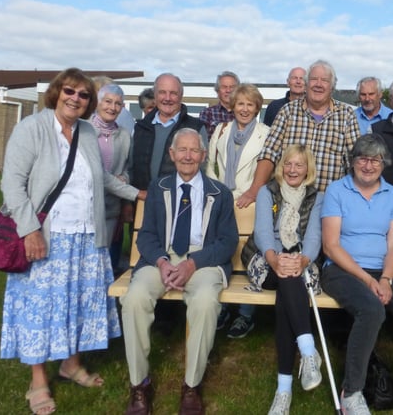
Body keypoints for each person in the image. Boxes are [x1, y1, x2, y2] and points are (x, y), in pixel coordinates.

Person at [0, 68, 130, 415]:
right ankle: (38, 380)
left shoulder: (86, 131)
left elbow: (101, 178)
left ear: (90, 102)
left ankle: (71, 364)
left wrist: (140, 193)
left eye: (83, 95)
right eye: (69, 91)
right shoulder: (33, 128)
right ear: (57, 92)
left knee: (78, 303)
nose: (75, 98)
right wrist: (29, 230)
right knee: (41, 308)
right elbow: (12, 184)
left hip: (87, 236)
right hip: (46, 236)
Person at [121, 128, 238, 415]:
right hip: (161, 260)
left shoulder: (219, 193)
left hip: (202, 260)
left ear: (203, 155)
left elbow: (227, 241)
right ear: (172, 155)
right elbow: (146, 235)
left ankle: (192, 384)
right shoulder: (159, 188)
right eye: (181, 150)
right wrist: (161, 261)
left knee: (205, 302)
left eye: (193, 150)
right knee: (134, 298)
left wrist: (192, 263)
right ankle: (140, 384)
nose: (188, 156)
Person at [320, 134, 393, 415]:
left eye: (375, 160)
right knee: (372, 310)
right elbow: (331, 246)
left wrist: (385, 278)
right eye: (362, 158)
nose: (368, 165)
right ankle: (353, 392)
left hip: (383, 268)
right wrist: (368, 279)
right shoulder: (337, 191)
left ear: (384, 163)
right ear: (352, 161)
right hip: (342, 269)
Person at [242, 144, 324, 414]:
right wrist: (275, 259)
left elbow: (313, 237)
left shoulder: (317, 197)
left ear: (307, 169)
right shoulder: (268, 191)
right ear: (281, 166)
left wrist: (301, 260)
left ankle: (283, 389)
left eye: (299, 165)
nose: (292, 169)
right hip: (266, 259)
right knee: (290, 280)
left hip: (301, 260)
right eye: (288, 164)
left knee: (288, 290)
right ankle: (308, 351)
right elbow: (264, 231)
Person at [206, 83, 270, 338]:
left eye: (250, 104)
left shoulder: (266, 133)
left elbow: (268, 168)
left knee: (248, 257)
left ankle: (245, 314)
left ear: (257, 108)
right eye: (240, 104)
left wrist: (251, 193)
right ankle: (221, 308)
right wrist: (217, 194)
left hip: (251, 202)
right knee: (220, 252)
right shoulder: (221, 130)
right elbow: (210, 164)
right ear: (233, 106)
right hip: (220, 201)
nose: (244, 109)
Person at [256, 59, 360, 194]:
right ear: (306, 84)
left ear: (332, 87)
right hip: (288, 199)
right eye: (314, 79)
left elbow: (355, 160)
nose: (318, 84)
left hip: (328, 202)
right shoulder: (287, 111)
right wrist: (255, 190)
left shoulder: (346, 115)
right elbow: (269, 153)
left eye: (324, 80)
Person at [90, 83, 147, 271]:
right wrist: (135, 193)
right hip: (87, 208)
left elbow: (129, 168)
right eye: (108, 102)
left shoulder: (124, 135)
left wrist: (125, 177)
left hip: (111, 209)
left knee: (106, 265)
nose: (112, 108)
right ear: (97, 103)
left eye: (118, 104)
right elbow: (96, 173)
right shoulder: (84, 131)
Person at [129, 73, 207, 190]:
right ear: (155, 95)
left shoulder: (196, 128)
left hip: (180, 201)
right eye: (162, 92)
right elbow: (131, 168)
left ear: (181, 96)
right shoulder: (140, 128)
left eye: (173, 93)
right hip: (144, 201)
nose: (167, 98)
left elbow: (202, 169)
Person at [199, 71, 239, 139]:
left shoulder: (244, 113)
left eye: (232, 87)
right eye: (224, 87)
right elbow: (202, 142)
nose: (228, 90)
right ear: (217, 91)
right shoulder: (207, 113)